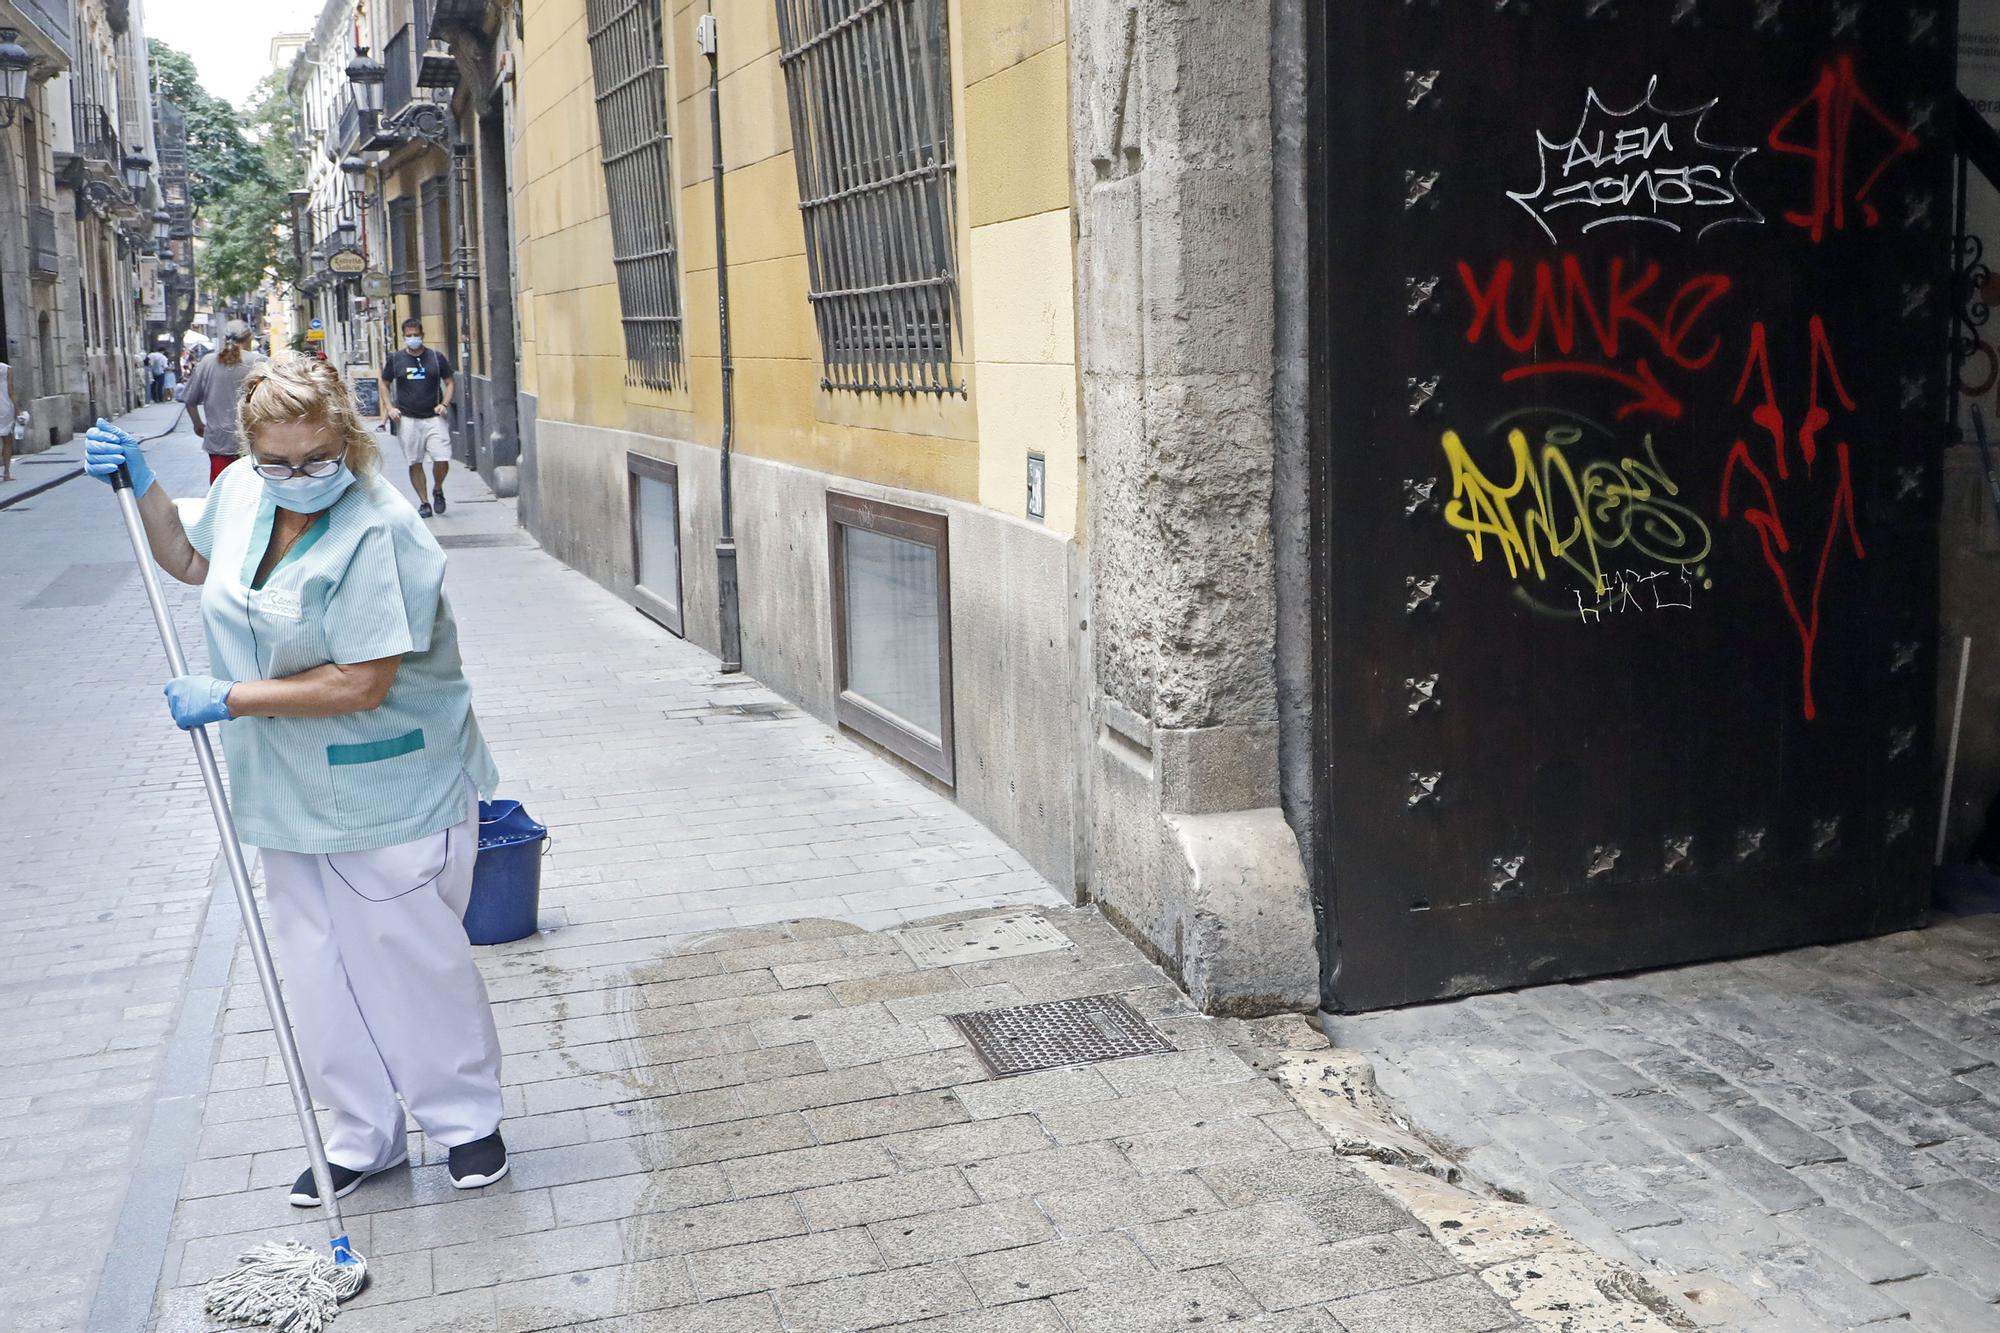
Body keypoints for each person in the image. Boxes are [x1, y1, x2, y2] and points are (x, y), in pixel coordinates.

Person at [81, 360, 509, 1205]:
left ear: (346, 438)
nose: (299, 478)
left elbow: (362, 682)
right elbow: (197, 564)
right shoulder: (245, 488)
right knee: (316, 966)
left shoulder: (380, 526)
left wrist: (229, 696)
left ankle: (466, 1122)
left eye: (318, 458)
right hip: (286, 783)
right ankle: (360, 1133)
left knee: (407, 960)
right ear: (251, 450)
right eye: (279, 461)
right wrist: (143, 490)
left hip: (388, 777)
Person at [382, 318, 454, 518]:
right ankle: (424, 502)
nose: (412, 338)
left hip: (434, 417)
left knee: (442, 458)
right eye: (409, 336)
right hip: (408, 420)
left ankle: (438, 489)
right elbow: (384, 383)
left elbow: (449, 382)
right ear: (404, 336)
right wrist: (389, 408)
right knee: (415, 462)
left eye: (416, 335)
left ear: (422, 335)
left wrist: (444, 404)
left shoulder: (436, 358)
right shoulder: (396, 360)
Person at [183, 320, 267, 482]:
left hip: (218, 439)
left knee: (221, 488)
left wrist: (198, 424)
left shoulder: (207, 362)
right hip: (253, 438)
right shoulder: (259, 362)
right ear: (248, 338)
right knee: (252, 488)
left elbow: (190, 400)